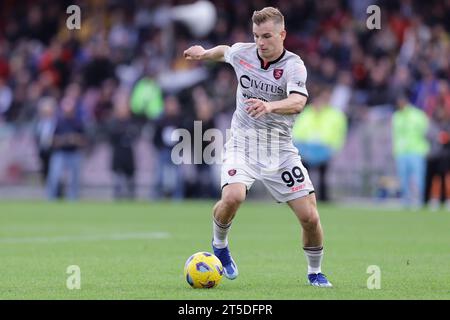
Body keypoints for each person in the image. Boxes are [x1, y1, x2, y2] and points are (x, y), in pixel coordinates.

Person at [184, 7, 332, 287]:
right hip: (243, 143)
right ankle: (220, 245)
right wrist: (204, 54)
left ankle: (315, 272)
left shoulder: (293, 65)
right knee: (233, 197)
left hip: (279, 148)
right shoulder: (244, 53)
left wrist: (269, 106)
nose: (261, 43)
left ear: (282, 34)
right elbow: (225, 50)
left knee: (310, 217)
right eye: (256, 36)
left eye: (266, 36)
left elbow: (298, 102)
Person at [293, 88, 347, 202]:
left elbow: (339, 132)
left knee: (323, 175)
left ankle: (323, 197)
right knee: (303, 175)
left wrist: (333, 148)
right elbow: (297, 130)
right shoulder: (307, 112)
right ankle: (301, 197)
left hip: (324, 149)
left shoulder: (334, 114)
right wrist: (300, 147)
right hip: (306, 148)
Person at [392, 94, 430, 209]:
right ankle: (406, 201)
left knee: (418, 178)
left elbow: (426, 132)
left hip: (416, 151)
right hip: (401, 152)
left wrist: (425, 148)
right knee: (403, 178)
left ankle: (419, 200)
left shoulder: (418, 115)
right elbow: (395, 135)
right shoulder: (396, 116)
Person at [46, 96, 87, 200]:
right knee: (54, 177)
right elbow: (51, 140)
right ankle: (51, 198)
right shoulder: (58, 122)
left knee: (75, 179)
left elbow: (84, 140)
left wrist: (75, 139)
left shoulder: (78, 123)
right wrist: (64, 139)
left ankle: (73, 199)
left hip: (74, 153)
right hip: (60, 152)